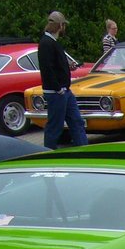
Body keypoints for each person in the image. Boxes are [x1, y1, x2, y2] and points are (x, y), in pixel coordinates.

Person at [38, 10, 88, 149]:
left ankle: (83, 149)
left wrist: (68, 66)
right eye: (63, 25)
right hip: (56, 92)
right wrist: (57, 88)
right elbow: (47, 68)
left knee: (77, 121)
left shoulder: (53, 42)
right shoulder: (46, 43)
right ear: (60, 26)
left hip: (65, 91)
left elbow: (56, 64)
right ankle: (48, 152)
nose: (64, 28)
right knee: (55, 125)